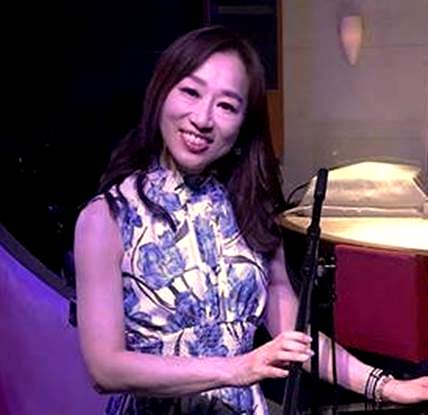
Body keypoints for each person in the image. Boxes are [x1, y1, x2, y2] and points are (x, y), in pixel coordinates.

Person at [74, 25, 428, 414]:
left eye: (227, 106)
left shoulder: (249, 209)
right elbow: (105, 368)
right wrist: (237, 368)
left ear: (244, 122)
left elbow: (295, 335)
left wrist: (385, 386)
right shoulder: (106, 217)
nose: (203, 118)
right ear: (161, 93)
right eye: (191, 92)